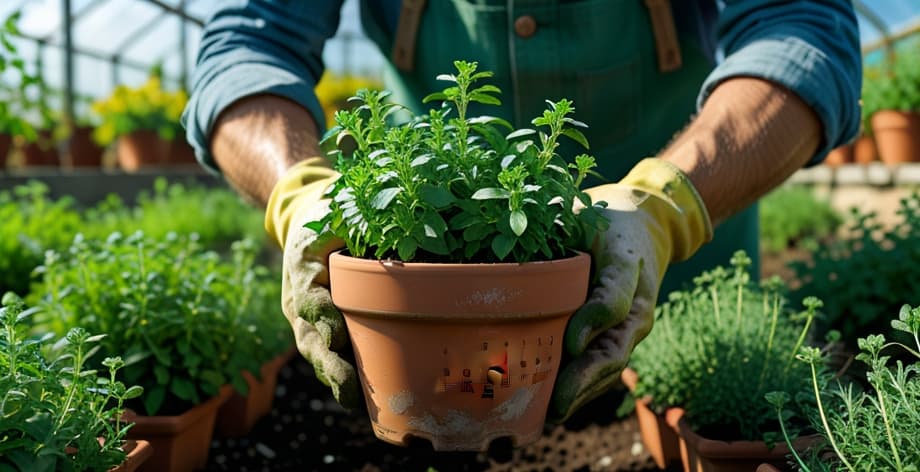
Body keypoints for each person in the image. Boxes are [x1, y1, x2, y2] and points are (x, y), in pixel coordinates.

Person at [182, 1, 861, 422]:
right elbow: (247, 43)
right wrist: (300, 190)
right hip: (416, 368)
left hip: (682, 336)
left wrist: (665, 209)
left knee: (714, 415)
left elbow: (802, 29)